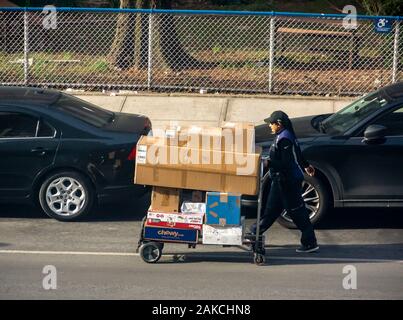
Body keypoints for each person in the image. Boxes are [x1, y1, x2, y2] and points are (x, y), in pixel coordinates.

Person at [250, 110, 319, 253]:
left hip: (288, 182)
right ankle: (255, 232)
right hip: (281, 180)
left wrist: (269, 162)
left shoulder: (285, 139)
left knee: (297, 212)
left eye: (271, 123)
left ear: (279, 124)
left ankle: (310, 242)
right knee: (272, 210)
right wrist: (306, 165)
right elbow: (297, 154)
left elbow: (287, 163)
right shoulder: (284, 135)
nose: (270, 126)